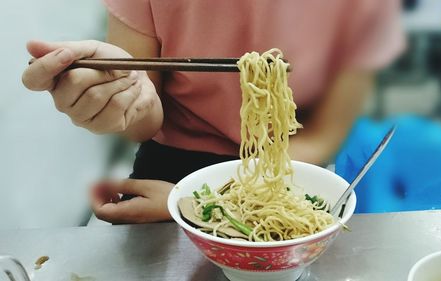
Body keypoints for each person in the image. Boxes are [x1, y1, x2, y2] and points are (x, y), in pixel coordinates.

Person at [22, 0, 404, 224]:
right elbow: (142, 118)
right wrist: (119, 97)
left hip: (289, 173)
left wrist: (202, 205)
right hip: (172, 164)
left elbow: (322, 135)